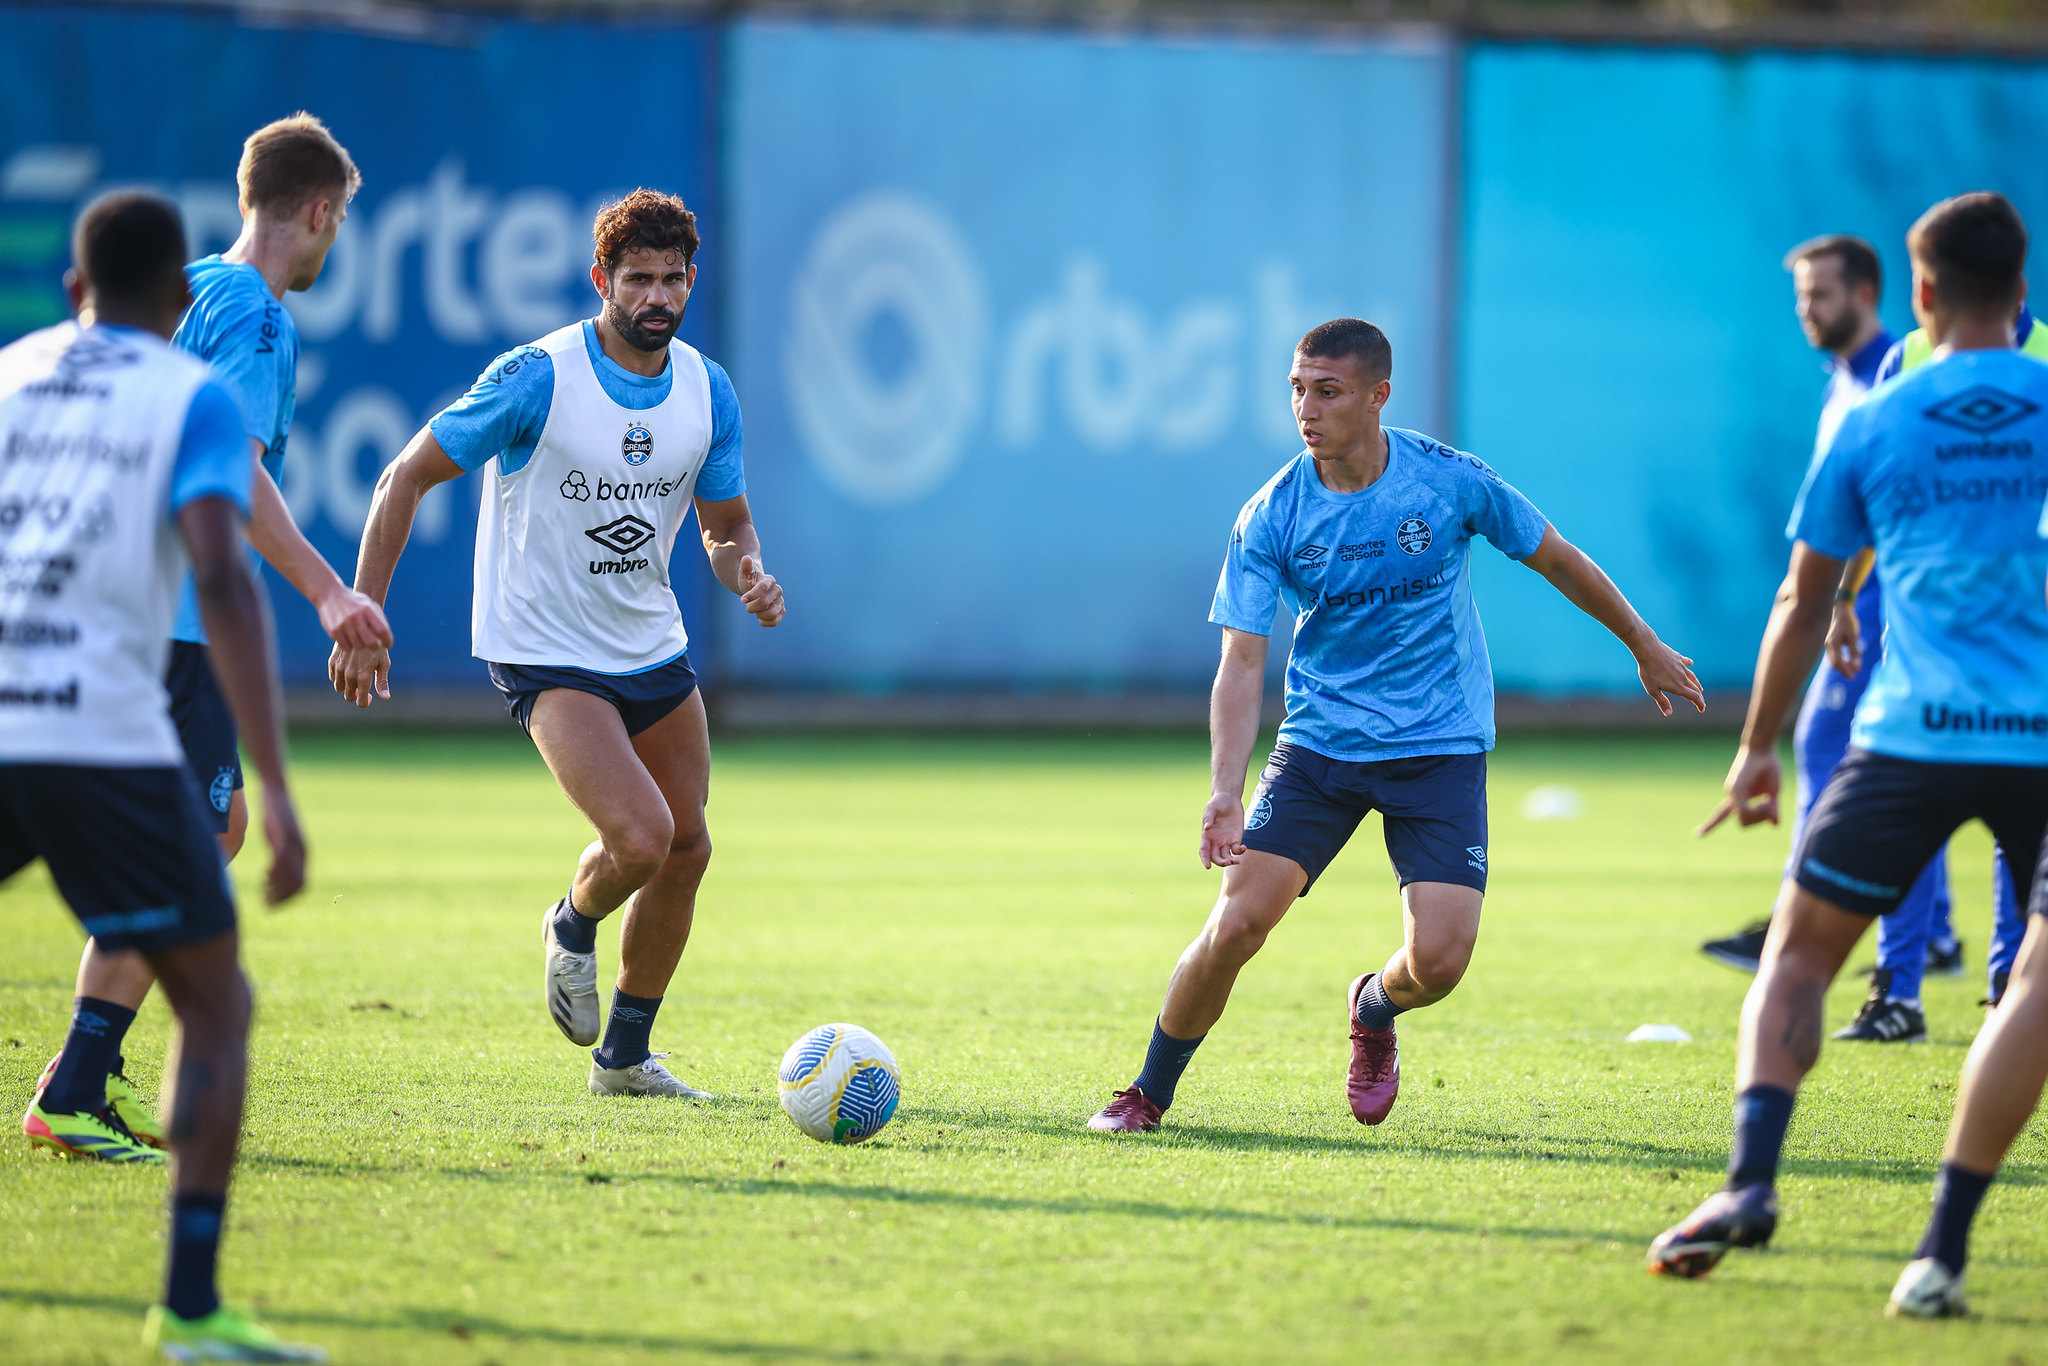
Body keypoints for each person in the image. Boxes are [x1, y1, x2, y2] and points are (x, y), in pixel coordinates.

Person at [1085, 318, 1704, 1134]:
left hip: (1438, 750)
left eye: (1328, 391)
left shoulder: (1447, 481)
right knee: (1237, 922)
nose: (1306, 409)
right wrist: (1224, 791)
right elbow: (1240, 663)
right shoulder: (1271, 512)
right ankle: (1146, 1093)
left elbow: (1555, 556)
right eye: (1298, 389)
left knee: (1440, 964)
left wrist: (1644, 644)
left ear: (1378, 397)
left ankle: (1372, 1009)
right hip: (1319, 749)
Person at [1647, 194, 2048, 1314]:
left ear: (1917, 296)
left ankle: (1748, 1184)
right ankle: (1938, 1253)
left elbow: (1801, 597)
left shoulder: (1876, 417)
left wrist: (1756, 746)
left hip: (1905, 735)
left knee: (1793, 957)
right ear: (2020, 291)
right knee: (2032, 998)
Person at [329, 189, 783, 1098]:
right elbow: (403, 475)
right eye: (638, 279)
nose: (658, 297)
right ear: (601, 281)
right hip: (546, 648)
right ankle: (572, 924)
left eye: (673, 279)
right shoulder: (539, 374)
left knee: (688, 847)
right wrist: (363, 612)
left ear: (692, 280)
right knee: (644, 837)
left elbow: (725, 524)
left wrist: (747, 572)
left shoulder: (706, 386)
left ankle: (624, 1060)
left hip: (649, 643)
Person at [22, 114, 389, 1162]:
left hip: (104, 613)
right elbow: (232, 474)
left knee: (192, 840)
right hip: (178, 629)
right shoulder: (260, 317)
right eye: (339, 222)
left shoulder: (181, 289)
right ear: (317, 211)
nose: (332, 243)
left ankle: (87, 1070)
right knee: (194, 843)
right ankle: (78, 1086)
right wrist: (328, 591)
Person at [0, 191, 322, 1361]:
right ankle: (189, 1307)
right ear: (180, 301)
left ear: (75, 291)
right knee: (216, 999)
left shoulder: (11, 370)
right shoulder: (188, 391)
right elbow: (223, 578)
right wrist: (277, 786)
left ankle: (80, 1084)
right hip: (91, 727)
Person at [1697, 234, 2004, 1045]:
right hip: (1872, 608)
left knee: (1875, 763)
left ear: (1883, 293)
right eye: (1800, 297)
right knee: (1867, 758)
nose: (1808, 310)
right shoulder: (1850, 380)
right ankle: (1931, 940)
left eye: (1821, 295)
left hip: (1888, 616)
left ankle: (1846, 935)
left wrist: (1838, 599)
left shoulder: (1895, 376)